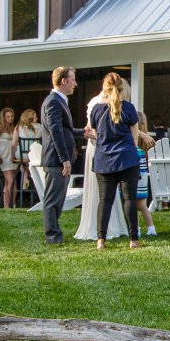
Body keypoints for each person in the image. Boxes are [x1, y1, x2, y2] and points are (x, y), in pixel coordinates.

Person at [86, 72, 144, 250]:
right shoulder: (129, 108)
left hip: (104, 160)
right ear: (121, 87)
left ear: (104, 88)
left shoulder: (96, 109)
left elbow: (96, 135)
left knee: (105, 200)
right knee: (129, 199)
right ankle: (133, 240)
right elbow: (135, 138)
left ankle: (101, 240)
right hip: (127, 158)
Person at [74, 91, 129, 242]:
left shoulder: (118, 104)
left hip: (107, 146)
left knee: (109, 192)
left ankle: (111, 226)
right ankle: (99, 229)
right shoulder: (97, 104)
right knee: (102, 192)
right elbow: (91, 129)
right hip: (100, 148)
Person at [41, 66, 84, 244]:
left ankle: (55, 235)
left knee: (57, 200)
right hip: (56, 159)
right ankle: (53, 237)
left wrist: (83, 132)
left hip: (60, 159)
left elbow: (66, 130)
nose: (75, 83)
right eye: (73, 79)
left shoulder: (60, 101)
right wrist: (64, 159)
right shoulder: (53, 101)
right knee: (52, 201)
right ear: (64, 81)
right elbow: (55, 132)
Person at [130, 112, 157, 239]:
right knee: (140, 205)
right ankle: (145, 228)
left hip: (137, 178)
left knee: (137, 204)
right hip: (142, 177)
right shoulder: (143, 147)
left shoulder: (135, 149)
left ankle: (145, 228)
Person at [0, 107, 18, 209]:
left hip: (12, 155)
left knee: (8, 182)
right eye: (8, 116)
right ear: (3, 117)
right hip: (3, 156)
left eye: (12, 116)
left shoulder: (13, 128)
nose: (10, 118)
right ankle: (12, 204)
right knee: (11, 181)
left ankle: (6, 205)